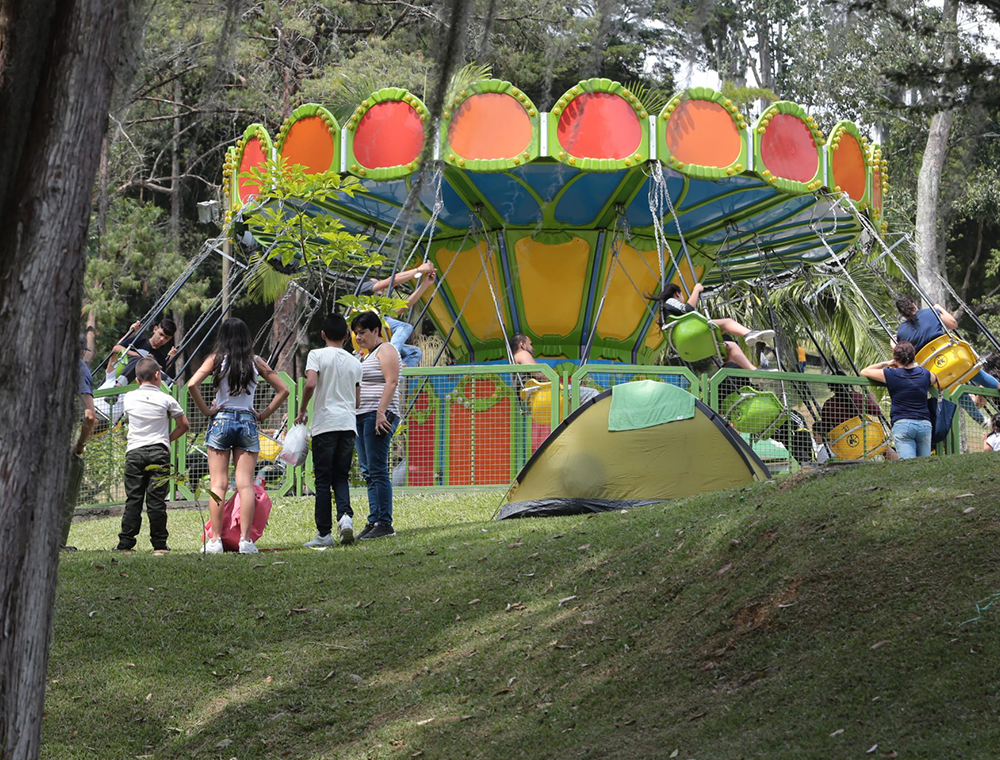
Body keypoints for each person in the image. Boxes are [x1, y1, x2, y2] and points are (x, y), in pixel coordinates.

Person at [187, 318, 289, 554]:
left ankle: (215, 542)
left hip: (221, 421)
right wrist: (263, 414)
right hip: (247, 422)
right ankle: (245, 541)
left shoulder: (216, 359)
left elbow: (192, 384)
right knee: (245, 484)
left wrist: (207, 411)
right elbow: (284, 389)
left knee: (218, 484)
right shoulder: (256, 362)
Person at [295, 313, 363, 548]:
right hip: (348, 425)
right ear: (347, 336)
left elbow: (311, 383)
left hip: (325, 425)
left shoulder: (316, 355)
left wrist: (303, 409)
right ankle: (345, 518)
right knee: (340, 477)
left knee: (323, 480)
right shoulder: (355, 362)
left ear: (323, 335)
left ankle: (324, 533)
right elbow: (357, 401)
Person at [114, 358, 189, 552]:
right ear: (158, 375)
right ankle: (159, 545)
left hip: (135, 452)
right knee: (156, 500)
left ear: (137, 380)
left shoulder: (128, 397)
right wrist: (166, 439)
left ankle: (126, 543)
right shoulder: (166, 399)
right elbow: (184, 425)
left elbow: (129, 419)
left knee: (134, 499)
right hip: (158, 452)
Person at [894, 295, 997, 424]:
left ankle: (980, 419)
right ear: (914, 304)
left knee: (954, 387)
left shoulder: (902, 332)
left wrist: (893, 342)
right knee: (977, 374)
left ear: (901, 313)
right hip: (955, 358)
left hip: (936, 371)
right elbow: (953, 324)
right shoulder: (931, 312)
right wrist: (939, 308)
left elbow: (902, 353)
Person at [351, 311, 402, 540]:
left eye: (362, 332)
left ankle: (384, 522)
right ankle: (374, 520)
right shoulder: (367, 355)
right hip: (363, 415)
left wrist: (382, 412)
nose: (359, 337)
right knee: (368, 470)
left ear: (375, 331)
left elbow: (391, 381)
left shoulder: (387, 350)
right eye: (356, 333)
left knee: (378, 469)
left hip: (378, 414)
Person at [650, 283, 774, 370]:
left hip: (687, 346)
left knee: (731, 346)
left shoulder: (664, 314)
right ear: (677, 294)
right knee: (727, 322)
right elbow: (688, 309)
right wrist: (696, 290)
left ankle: (754, 371)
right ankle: (748, 333)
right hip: (689, 332)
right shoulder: (669, 301)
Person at [860, 341, 938, 459]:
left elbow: (864, 371)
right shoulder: (924, 374)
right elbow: (935, 378)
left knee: (908, 464)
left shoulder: (891, 374)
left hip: (903, 423)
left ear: (896, 359)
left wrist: (887, 363)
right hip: (924, 424)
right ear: (913, 356)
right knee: (924, 463)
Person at [357, 262, 437, 367]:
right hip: (367, 324)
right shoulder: (364, 287)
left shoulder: (380, 310)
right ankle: (390, 356)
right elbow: (390, 281)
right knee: (405, 327)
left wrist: (425, 284)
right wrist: (418, 270)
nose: (380, 286)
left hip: (379, 330)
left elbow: (405, 306)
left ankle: (398, 376)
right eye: (376, 284)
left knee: (415, 352)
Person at [62, 338, 97, 551]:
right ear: (83, 351)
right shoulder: (80, 368)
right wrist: (80, 444)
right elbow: (90, 416)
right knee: (66, 489)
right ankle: (56, 543)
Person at [509, 333, 600, 403]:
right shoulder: (522, 354)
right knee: (593, 393)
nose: (533, 348)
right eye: (530, 344)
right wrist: (555, 382)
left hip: (533, 396)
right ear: (522, 344)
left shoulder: (514, 360)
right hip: (541, 394)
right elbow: (537, 373)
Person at [106, 317, 179, 385]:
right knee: (142, 361)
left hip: (135, 386)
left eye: (166, 338)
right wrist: (138, 355)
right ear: (155, 329)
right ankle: (120, 384)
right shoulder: (139, 340)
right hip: (118, 372)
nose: (162, 339)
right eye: (161, 334)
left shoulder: (160, 358)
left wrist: (169, 360)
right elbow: (116, 348)